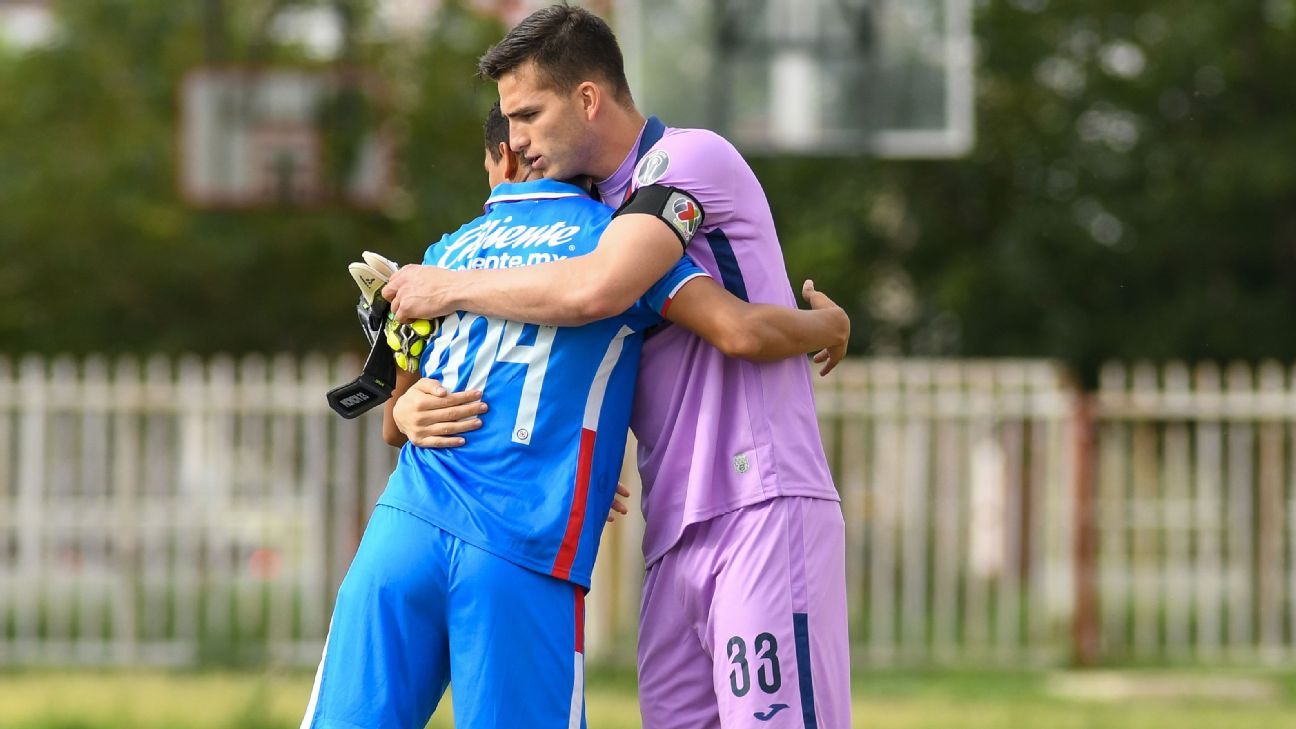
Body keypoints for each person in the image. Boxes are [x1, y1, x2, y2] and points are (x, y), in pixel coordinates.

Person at [300, 101, 849, 729]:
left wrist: (405, 409)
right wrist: (830, 326)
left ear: (506, 156)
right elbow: (738, 328)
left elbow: (394, 419)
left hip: (400, 532)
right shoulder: (618, 246)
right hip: (522, 545)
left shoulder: (444, 255)